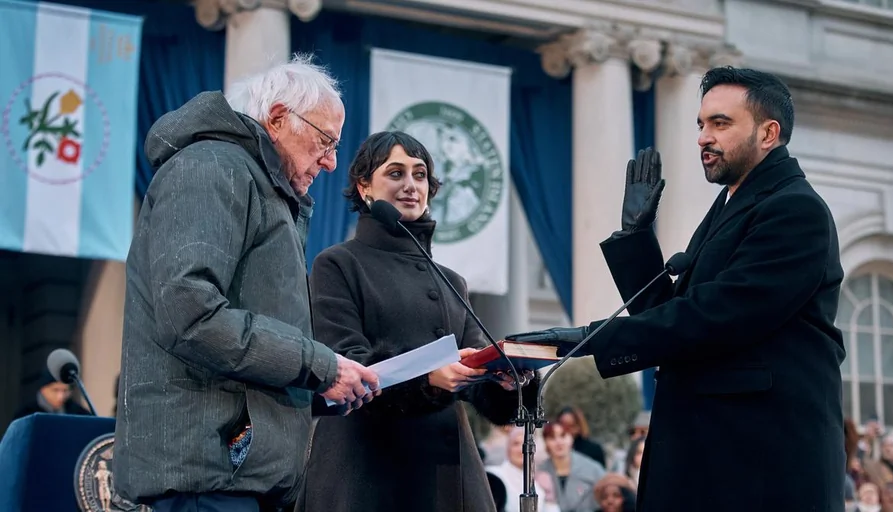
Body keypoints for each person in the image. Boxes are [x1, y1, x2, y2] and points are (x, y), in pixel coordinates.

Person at [508, 66, 846, 510]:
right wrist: (636, 238)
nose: (704, 137)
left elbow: (714, 319)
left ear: (769, 133)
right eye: (701, 124)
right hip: (712, 460)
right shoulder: (732, 205)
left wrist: (590, 337)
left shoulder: (795, 209)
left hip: (759, 468)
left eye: (721, 123)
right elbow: (678, 317)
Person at [113, 55, 380, 512]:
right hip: (210, 472)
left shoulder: (254, 184)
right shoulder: (212, 167)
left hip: (236, 472)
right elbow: (190, 315)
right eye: (325, 141)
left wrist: (322, 383)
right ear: (278, 118)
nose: (332, 162)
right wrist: (319, 366)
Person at [295, 131, 535, 512]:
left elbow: (473, 363)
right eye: (395, 173)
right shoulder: (337, 264)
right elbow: (345, 364)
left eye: (420, 174)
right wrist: (428, 378)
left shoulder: (452, 280)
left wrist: (505, 378)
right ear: (364, 187)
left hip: (450, 477)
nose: (411, 185)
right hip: (367, 473)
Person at [13, 368, 90, 419]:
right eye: (55, 390)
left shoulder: (79, 413)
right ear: (43, 389)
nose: (61, 396)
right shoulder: (26, 414)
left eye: (65, 391)